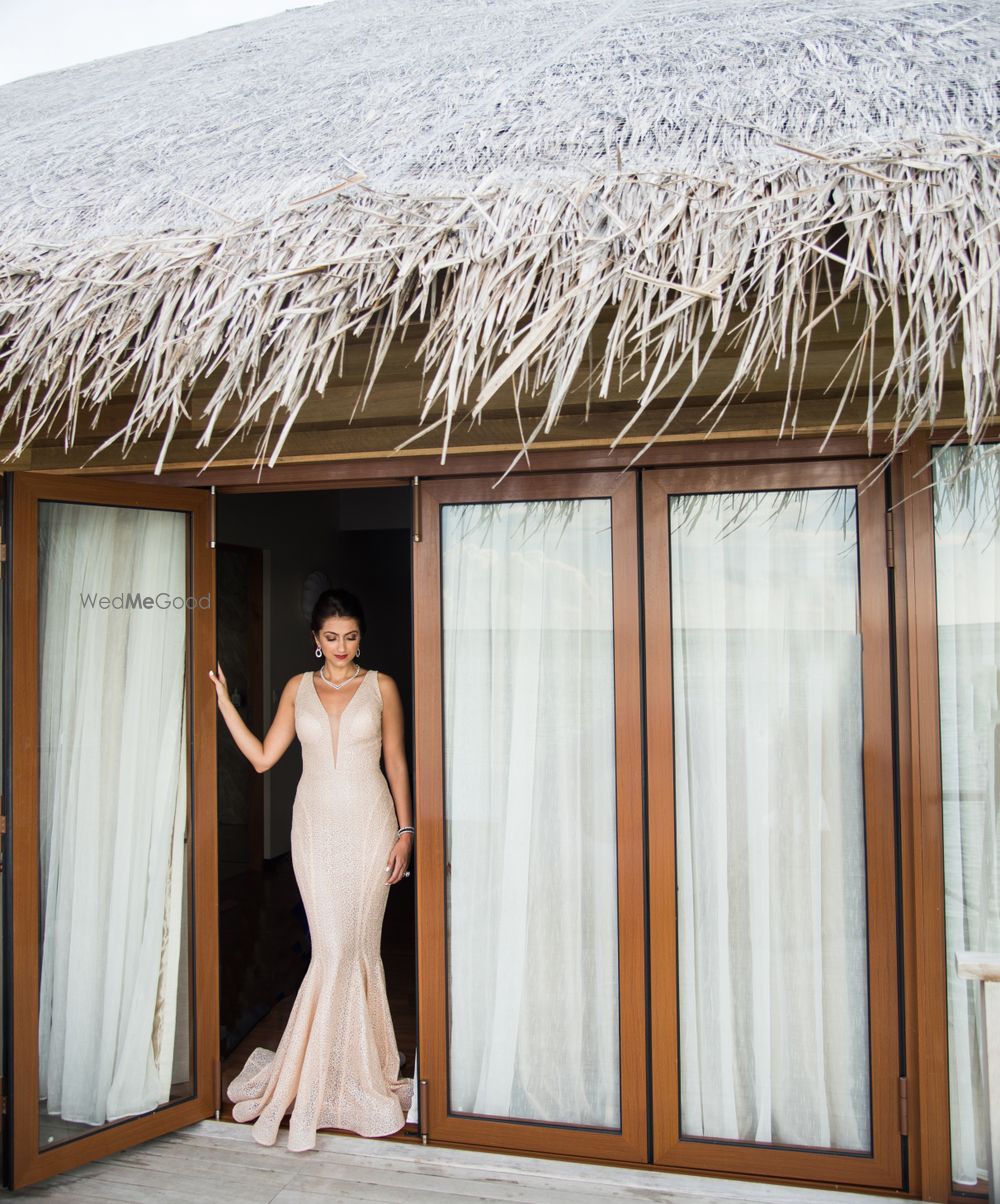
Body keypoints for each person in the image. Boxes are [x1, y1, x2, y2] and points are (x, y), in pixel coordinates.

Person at [208, 587, 414, 1150]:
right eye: (331, 637)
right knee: (331, 949)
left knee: (359, 949)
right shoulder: (298, 688)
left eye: (350, 637)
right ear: (314, 640)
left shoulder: (383, 687)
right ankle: (318, 1074)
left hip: (372, 828)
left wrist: (406, 831)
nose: (342, 647)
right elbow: (262, 757)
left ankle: (359, 1072)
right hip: (316, 832)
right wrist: (225, 703)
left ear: (360, 638)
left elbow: (395, 759)